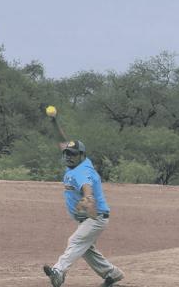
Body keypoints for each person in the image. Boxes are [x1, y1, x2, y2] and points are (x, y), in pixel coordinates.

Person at [42, 112, 124, 287]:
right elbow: (63, 141)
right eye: (66, 153)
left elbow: (86, 185)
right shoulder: (78, 163)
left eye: (72, 154)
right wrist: (54, 122)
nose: (68, 156)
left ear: (81, 155)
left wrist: (88, 197)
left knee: (75, 241)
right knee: (86, 249)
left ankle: (58, 272)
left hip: (96, 218)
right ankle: (113, 274)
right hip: (88, 219)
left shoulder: (82, 171)